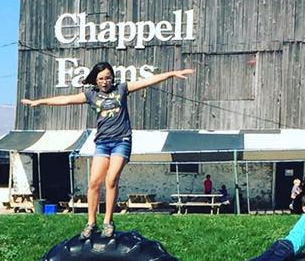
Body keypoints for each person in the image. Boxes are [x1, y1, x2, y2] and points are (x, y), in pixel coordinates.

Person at [21, 62, 194, 239]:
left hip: (122, 141)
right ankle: (91, 223)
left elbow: (147, 81)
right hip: (103, 142)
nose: (105, 82)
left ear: (112, 78)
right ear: (96, 80)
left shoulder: (122, 89)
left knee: (111, 179)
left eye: (108, 78)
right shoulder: (91, 94)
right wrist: (39, 102)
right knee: (94, 182)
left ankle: (108, 221)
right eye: (101, 79)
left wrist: (172, 73)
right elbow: (65, 99)